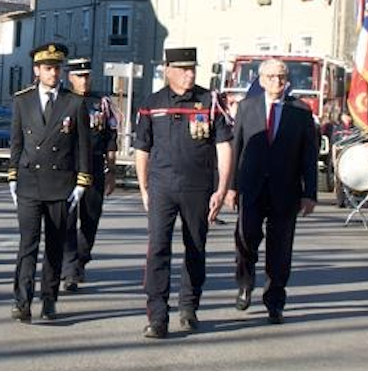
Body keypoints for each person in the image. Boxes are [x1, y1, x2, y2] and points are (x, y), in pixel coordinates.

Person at [132, 47, 234, 339]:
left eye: (193, 69)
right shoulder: (153, 103)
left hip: (197, 187)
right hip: (162, 186)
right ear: (168, 70)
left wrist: (222, 188)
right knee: (158, 250)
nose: (190, 74)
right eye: (183, 69)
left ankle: (188, 307)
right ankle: (157, 316)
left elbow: (224, 147)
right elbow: (142, 149)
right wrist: (144, 189)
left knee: (195, 247)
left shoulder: (209, 101)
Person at [224, 57, 319, 325]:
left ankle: (275, 301)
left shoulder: (300, 111)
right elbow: (236, 148)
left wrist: (309, 193)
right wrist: (230, 187)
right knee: (246, 239)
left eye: (281, 77)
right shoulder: (246, 107)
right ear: (261, 79)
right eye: (271, 77)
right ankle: (245, 283)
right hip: (251, 187)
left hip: (285, 190)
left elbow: (308, 155)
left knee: (280, 250)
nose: (277, 82)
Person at [6, 42, 89, 323]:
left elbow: (82, 147)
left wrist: (81, 182)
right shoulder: (22, 100)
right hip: (30, 182)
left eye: (57, 68)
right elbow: (16, 142)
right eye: (48, 68)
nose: (54, 73)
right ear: (37, 70)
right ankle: (22, 300)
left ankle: (50, 298)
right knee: (27, 244)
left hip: (60, 183)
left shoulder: (74, 102)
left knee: (54, 245)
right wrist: (12, 176)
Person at [62, 57, 118, 291]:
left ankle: (82, 258)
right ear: (70, 77)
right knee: (66, 219)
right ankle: (70, 268)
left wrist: (111, 170)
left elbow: (111, 138)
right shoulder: (62, 101)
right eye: (79, 76)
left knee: (90, 218)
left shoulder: (100, 102)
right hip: (68, 167)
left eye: (86, 76)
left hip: (94, 165)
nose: (84, 81)